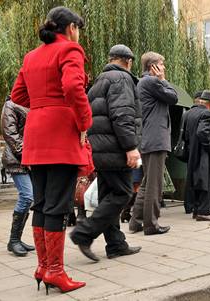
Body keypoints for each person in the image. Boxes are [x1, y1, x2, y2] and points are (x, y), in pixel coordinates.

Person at [11, 6, 91, 293]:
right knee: (58, 204)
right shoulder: (70, 49)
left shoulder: (32, 56)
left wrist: (44, 106)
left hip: (36, 134)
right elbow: (72, 86)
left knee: (43, 202)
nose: (78, 34)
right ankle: (55, 271)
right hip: (61, 135)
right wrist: (84, 121)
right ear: (71, 28)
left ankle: (43, 267)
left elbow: (18, 95)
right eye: (78, 29)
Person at [70, 44, 142, 262]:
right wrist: (130, 147)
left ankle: (116, 244)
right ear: (128, 62)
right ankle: (84, 234)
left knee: (108, 195)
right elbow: (122, 116)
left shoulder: (99, 82)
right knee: (122, 193)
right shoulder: (121, 80)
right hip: (116, 150)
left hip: (100, 150)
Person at [128, 51, 177, 235]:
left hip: (149, 138)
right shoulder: (152, 81)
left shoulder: (143, 82)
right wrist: (163, 78)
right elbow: (173, 97)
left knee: (148, 183)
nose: (164, 68)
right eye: (161, 64)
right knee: (154, 185)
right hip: (156, 139)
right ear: (153, 67)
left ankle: (135, 222)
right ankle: (151, 224)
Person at [1, 96, 34, 257]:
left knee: (30, 198)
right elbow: (10, 134)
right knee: (27, 196)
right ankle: (13, 240)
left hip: (31, 159)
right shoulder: (11, 104)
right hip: (17, 159)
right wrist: (24, 156)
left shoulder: (32, 103)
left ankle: (17, 240)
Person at [185, 90, 210, 221]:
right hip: (203, 153)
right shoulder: (207, 113)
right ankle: (204, 212)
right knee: (206, 181)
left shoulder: (190, 113)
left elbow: (187, 135)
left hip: (192, 152)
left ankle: (196, 210)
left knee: (196, 181)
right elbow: (202, 133)